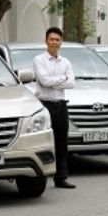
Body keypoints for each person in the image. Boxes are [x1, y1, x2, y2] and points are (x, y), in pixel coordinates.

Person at [33, 27, 76, 189]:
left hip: (61, 105)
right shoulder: (39, 60)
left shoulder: (66, 62)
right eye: (52, 39)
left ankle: (61, 177)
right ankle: (41, 174)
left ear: (61, 42)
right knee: (43, 140)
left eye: (57, 40)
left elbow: (72, 82)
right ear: (46, 41)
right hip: (45, 105)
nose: (54, 42)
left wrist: (55, 81)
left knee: (61, 141)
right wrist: (62, 79)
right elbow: (44, 81)